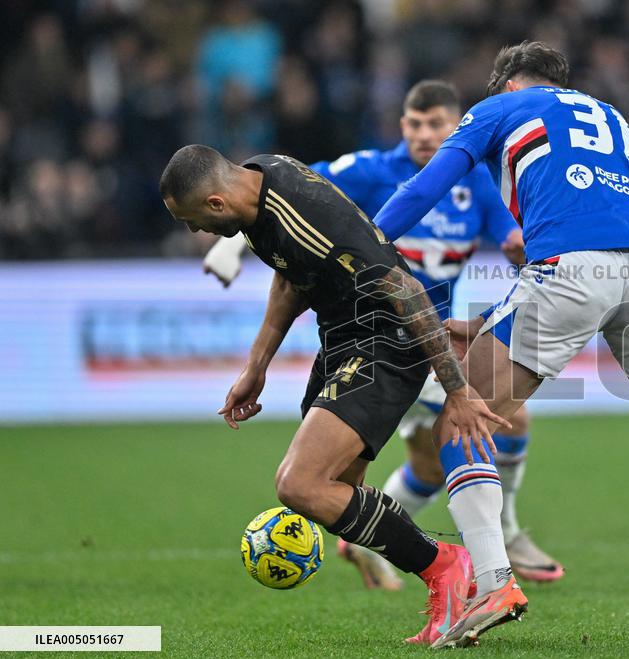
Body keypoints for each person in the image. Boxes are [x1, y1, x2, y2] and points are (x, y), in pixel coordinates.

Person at [373, 42, 629, 647]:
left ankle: (493, 583)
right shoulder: (612, 118)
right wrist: (493, 317)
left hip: (569, 269)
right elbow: (599, 229)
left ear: (507, 85)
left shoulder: (499, 108)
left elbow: (423, 189)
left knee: (461, 422)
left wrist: (362, 244)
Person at [203, 80, 565, 588]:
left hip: (430, 336)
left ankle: (395, 543)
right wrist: (232, 245)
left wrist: (521, 245)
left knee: (434, 461)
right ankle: (494, 540)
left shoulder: (477, 183)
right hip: (381, 337)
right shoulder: (369, 170)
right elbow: (277, 196)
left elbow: (511, 234)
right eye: (415, 124)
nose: (424, 134)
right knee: (498, 422)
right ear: (401, 126)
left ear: (457, 128)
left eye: (436, 124)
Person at [159, 145, 510, 646]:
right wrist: (257, 365)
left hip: (385, 341)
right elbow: (290, 278)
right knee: (339, 492)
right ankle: (450, 578)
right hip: (343, 338)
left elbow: (407, 290)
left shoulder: (304, 214)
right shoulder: (258, 188)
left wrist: (456, 390)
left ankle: (446, 567)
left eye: (193, 220)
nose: (197, 231)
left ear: (216, 203)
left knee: (300, 485)